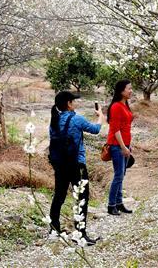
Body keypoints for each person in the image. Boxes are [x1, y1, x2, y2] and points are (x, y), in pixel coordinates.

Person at [48, 90, 105, 244]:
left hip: (59, 164)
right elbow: (96, 130)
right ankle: (80, 233)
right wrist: (100, 116)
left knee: (59, 195)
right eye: (74, 100)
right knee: (82, 197)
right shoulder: (76, 119)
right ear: (69, 104)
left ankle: (54, 229)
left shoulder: (54, 120)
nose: (75, 102)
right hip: (76, 164)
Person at [105, 80, 134, 215]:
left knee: (121, 175)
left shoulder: (125, 105)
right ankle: (111, 205)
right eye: (129, 88)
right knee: (118, 175)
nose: (131, 91)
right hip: (117, 145)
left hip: (124, 144)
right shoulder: (116, 106)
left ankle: (119, 203)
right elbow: (115, 129)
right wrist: (123, 146)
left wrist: (129, 145)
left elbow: (125, 127)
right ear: (122, 91)